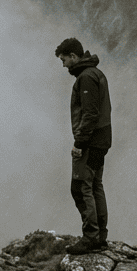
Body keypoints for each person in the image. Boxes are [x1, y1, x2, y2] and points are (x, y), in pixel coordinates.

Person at [54, 37, 112, 254]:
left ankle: (90, 237)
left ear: (73, 56)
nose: (63, 65)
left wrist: (79, 143)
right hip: (102, 140)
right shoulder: (96, 73)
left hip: (90, 141)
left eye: (64, 60)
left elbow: (90, 114)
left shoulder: (86, 78)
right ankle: (100, 236)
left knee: (80, 187)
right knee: (95, 185)